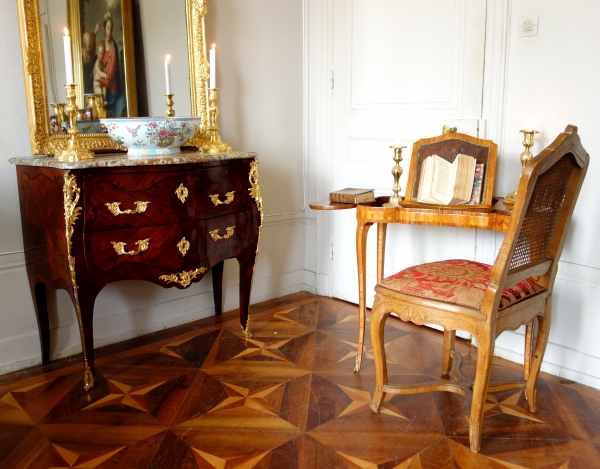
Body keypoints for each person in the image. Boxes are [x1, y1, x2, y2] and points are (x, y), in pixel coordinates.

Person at [95, 12, 121, 116]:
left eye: (111, 28)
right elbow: (97, 63)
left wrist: (98, 78)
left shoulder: (113, 49)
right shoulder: (101, 46)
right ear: (104, 29)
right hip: (102, 85)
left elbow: (109, 79)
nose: (109, 32)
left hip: (111, 92)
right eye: (107, 28)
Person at [93, 40, 107, 105]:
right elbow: (99, 72)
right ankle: (101, 103)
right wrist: (104, 75)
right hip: (96, 85)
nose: (98, 55)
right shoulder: (97, 63)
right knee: (99, 90)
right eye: (98, 52)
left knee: (104, 88)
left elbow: (105, 70)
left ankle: (103, 101)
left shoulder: (102, 64)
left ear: (103, 55)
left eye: (101, 53)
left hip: (101, 84)